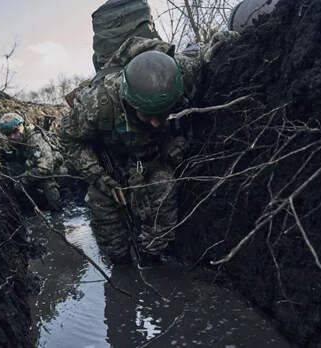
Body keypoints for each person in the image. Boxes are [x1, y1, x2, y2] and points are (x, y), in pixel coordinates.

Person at [59, 33, 238, 266]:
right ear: (130, 101)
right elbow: (67, 138)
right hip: (110, 159)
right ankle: (120, 264)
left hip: (150, 155)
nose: (155, 122)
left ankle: (152, 257)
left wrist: (226, 39)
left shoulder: (180, 72)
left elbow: (206, 50)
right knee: (101, 206)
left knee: (164, 187)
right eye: (147, 115)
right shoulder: (98, 103)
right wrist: (99, 176)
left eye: (161, 114)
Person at [0, 112, 64, 211]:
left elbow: (45, 168)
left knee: (47, 183)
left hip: (57, 173)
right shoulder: (15, 141)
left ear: (22, 126)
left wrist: (24, 179)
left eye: (15, 131)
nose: (12, 136)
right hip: (34, 172)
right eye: (8, 134)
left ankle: (58, 212)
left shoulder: (35, 139)